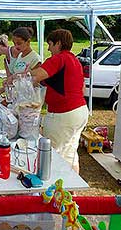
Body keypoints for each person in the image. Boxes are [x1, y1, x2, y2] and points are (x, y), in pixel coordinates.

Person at [30, 29, 88, 173]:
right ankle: (73, 191)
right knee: (70, 155)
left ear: (58, 43)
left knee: (50, 154)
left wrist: (18, 76)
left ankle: (52, 190)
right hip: (80, 111)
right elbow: (82, 89)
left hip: (63, 114)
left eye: (50, 44)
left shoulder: (58, 59)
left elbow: (36, 76)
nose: (48, 48)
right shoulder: (75, 60)